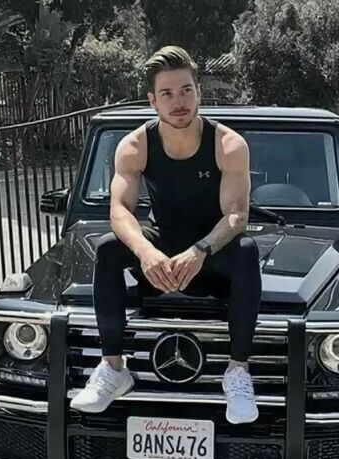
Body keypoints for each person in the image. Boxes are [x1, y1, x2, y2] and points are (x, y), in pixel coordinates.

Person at [70, 46, 262, 424]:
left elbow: (237, 215)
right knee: (108, 248)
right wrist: (146, 252)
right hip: (162, 250)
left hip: (212, 257)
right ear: (152, 100)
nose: (179, 102)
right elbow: (119, 211)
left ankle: (238, 372)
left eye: (186, 90)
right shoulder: (135, 145)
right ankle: (113, 368)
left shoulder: (228, 144)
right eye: (168, 93)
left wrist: (200, 250)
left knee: (246, 250)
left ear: (199, 93)